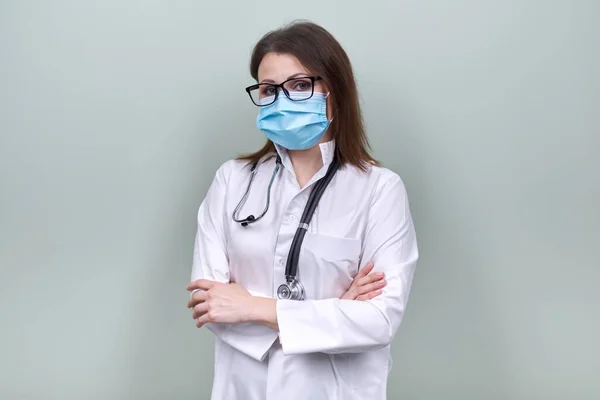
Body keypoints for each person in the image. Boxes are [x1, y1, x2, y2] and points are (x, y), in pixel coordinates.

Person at [186, 20, 418, 400]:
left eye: (298, 85)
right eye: (268, 89)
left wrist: (253, 307)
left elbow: (379, 321)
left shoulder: (380, 190)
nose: (281, 100)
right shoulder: (232, 181)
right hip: (245, 388)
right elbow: (213, 305)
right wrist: (335, 313)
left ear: (334, 91)